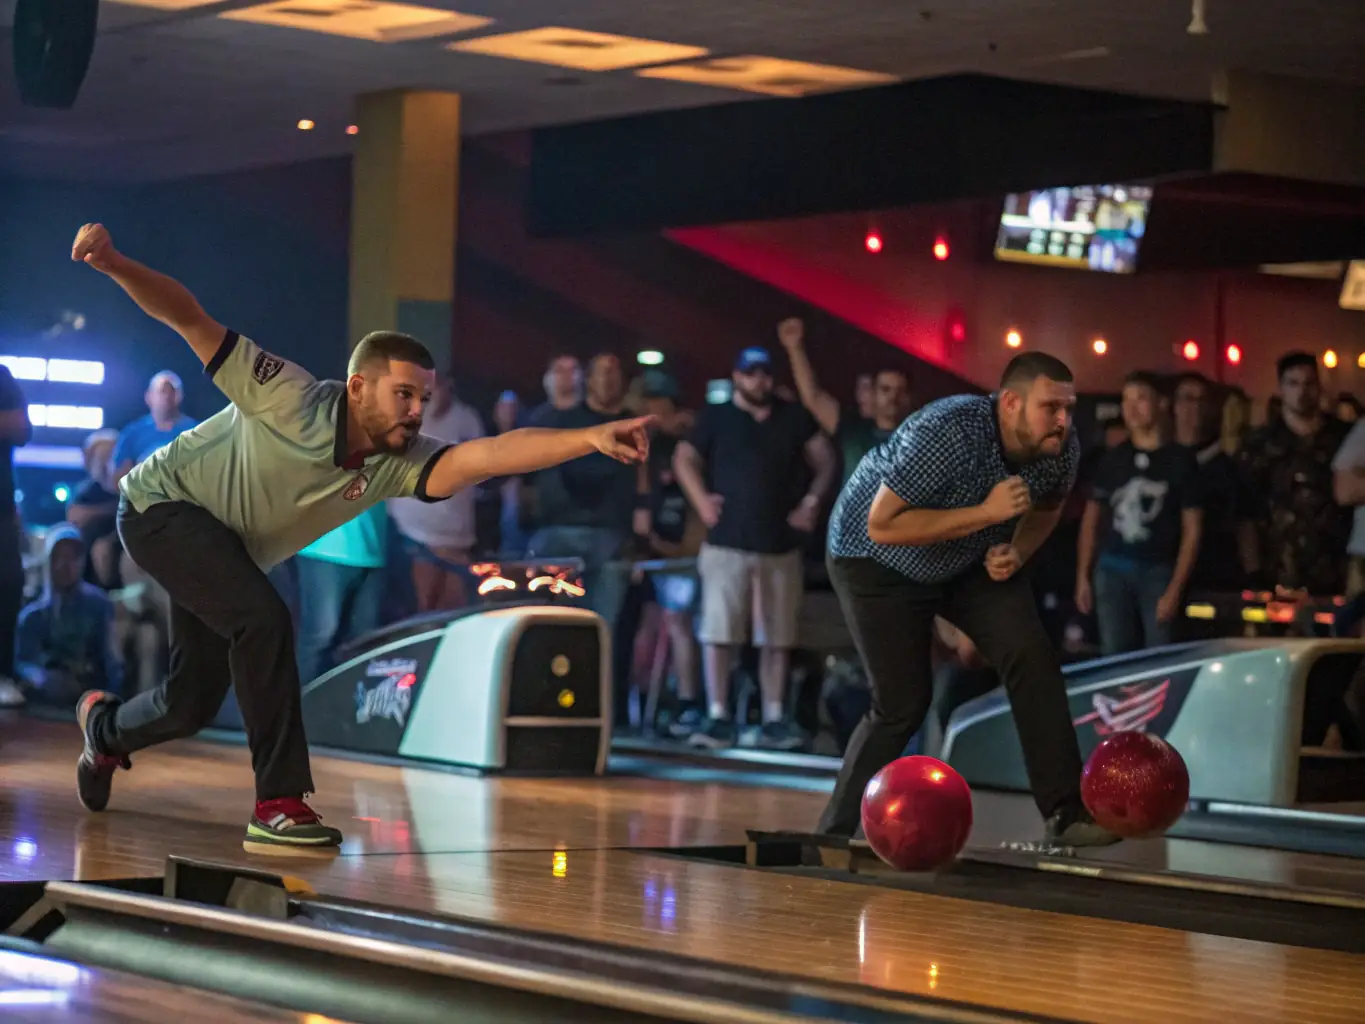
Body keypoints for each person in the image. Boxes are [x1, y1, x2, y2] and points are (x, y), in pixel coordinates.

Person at [68, 222, 653, 855]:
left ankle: (104, 729)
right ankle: (280, 803)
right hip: (160, 506)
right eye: (403, 394)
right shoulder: (286, 394)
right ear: (357, 387)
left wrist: (588, 438)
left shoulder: (397, 463)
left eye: (423, 399)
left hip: (223, 548)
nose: (415, 411)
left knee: (190, 704)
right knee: (264, 620)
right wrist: (116, 264)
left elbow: (491, 453)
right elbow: (190, 318)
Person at [818, 352, 1117, 847]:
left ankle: (1066, 814)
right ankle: (832, 834)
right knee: (902, 704)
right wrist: (985, 514)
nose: (1063, 420)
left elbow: (1048, 507)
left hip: (965, 560)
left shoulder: (1059, 446)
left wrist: (1016, 552)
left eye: (1068, 407)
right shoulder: (946, 431)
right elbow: (883, 524)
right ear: (1012, 404)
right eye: (1051, 408)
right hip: (873, 559)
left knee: (1032, 656)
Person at [674, 346, 837, 750]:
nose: (758, 381)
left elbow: (826, 459)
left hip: (779, 543)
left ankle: (774, 716)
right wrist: (701, 501)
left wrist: (812, 502)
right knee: (718, 631)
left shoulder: (793, 417)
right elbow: (684, 458)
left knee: (777, 636)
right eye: (750, 374)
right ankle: (717, 714)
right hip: (727, 541)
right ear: (737, 376)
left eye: (764, 374)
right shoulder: (717, 417)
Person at [1075, 372, 1202, 655]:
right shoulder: (1113, 459)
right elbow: (1091, 520)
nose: (1131, 408)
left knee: (1159, 659)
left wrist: (1175, 589)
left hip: (1158, 572)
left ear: (1162, 404)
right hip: (1112, 571)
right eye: (1126, 400)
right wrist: (1083, 575)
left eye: (1141, 398)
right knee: (1115, 659)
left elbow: (1193, 530)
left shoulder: (1181, 461)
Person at [777, 316, 912, 483]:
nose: (893, 397)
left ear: (908, 398)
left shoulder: (916, 444)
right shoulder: (854, 431)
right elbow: (813, 398)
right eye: (886, 389)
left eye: (900, 391)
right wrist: (794, 348)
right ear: (874, 394)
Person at [16, 525, 122, 708]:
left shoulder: (99, 605)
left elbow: (112, 660)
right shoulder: (32, 616)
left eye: (73, 557)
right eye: (59, 557)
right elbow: (24, 663)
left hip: (91, 699)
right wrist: (42, 678)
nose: (66, 564)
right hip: (47, 705)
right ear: (49, 562)